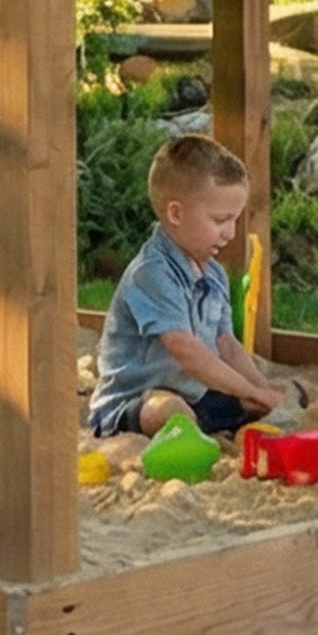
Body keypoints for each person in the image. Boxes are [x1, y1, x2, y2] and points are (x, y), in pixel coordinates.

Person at [89, 134, 284, 444]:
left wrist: (261, 390)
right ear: (176, 214)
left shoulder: (214, 274)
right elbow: (186, 351)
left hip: (195, 393)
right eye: (220, 220)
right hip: (135, 400)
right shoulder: (151, 274)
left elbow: (227, 345)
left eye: (235, 220)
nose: (231, 233)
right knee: (169, 412)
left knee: (256, 401)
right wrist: (249, 391)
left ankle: (205, 431)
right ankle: (198, 438)